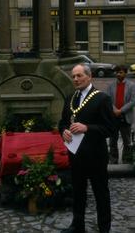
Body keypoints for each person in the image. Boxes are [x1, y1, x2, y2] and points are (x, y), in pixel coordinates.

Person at [58, 63, 115, 233]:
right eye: (73, 76)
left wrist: (87, 128)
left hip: (96, 155)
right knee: (78, 192)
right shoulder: (70, 98)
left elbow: (110, 129)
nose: (75, 79)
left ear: (89, 77)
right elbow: (62, 122)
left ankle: (104, 227)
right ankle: (78, 225)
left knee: (101, 193)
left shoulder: (102, 98)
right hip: (76, 155)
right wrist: (63, 132)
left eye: (79, 75)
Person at [106, 65, 135, 164]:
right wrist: (115, 110)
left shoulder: (132, 85)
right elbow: (108, 100)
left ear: (125, 73)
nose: (118, 74)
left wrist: (121, 110)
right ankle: (113, 160)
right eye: (117, 72)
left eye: (121, 72)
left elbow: (132, 101)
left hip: (125, 117)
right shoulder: (111, 85)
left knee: (127, 141)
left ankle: (126, 160)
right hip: (113, 117)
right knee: (112, 141)